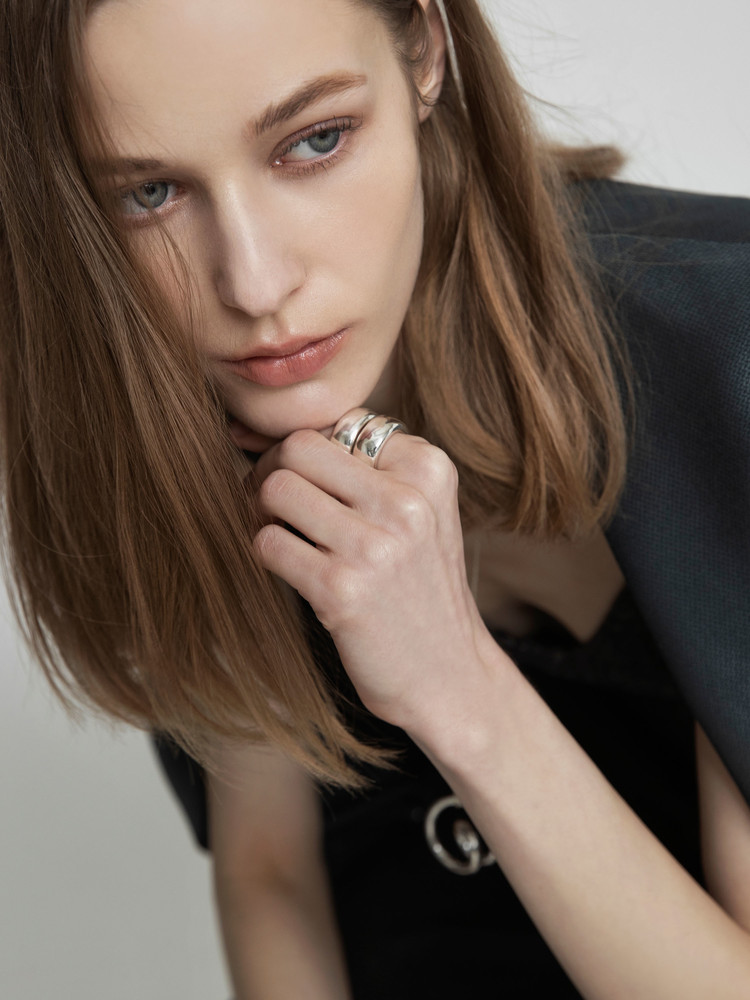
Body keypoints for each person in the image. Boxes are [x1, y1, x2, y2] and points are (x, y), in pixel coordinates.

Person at [1, 0, 749, 997]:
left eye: (315, 140)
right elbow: (271, 879)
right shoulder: (156, 394)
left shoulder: (728, 357)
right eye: (151, 193)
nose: (256, 283)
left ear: (425, 50)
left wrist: (457, 687)